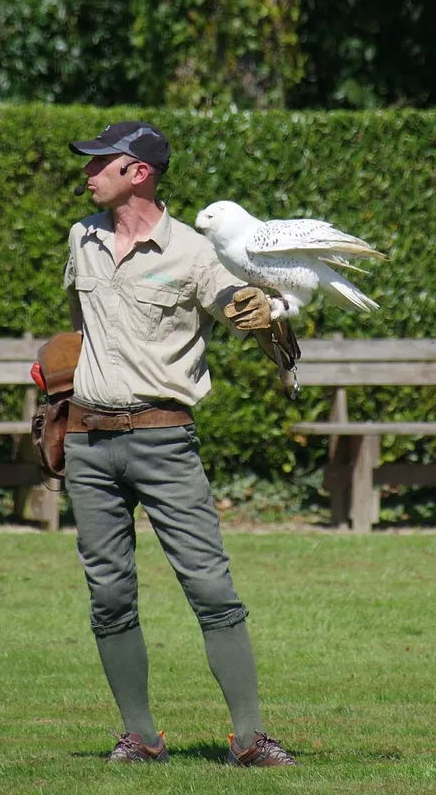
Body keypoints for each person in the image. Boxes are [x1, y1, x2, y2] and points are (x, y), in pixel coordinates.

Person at [62, 120, 298, 768]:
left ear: (138, 172)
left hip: (163, 442)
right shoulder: (82, 238)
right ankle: (139, 737)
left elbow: (233, 300)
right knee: (108, 596)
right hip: (86, 443)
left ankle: (249, 740)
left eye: (98, 163)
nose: (87, 173)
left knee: (211, 589)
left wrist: (259, 307)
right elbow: (80, 329)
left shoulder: (196, 251)